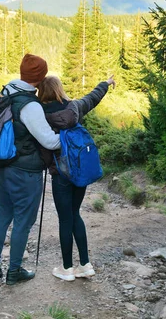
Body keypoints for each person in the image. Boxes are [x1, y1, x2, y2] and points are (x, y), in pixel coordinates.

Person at [0, 54, 61, 286]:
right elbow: (48, 141)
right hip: (25, 172)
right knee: (23, 221)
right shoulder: (30, 105)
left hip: (4, 166)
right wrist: (67, 139)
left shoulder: (7, 92)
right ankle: (14, 271)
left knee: (2, 215)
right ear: (41, 77)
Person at [37, 75, 116, 281]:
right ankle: (85, 264)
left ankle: (67, 269)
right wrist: (105, 84)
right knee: (75, 214)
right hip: (79, 171)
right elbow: (93, 97)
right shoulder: (75, 107)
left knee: (65, 219)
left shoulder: (41, 113)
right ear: (59, 89)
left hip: (60, 174)